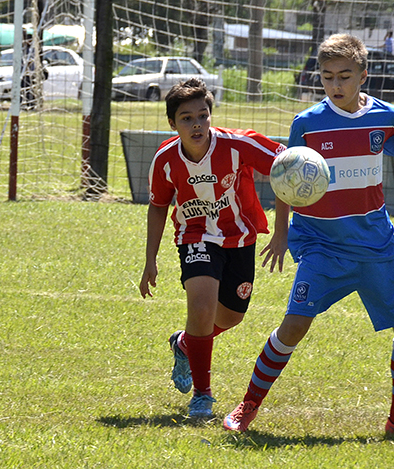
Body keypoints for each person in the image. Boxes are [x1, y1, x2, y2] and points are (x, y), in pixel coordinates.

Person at [222, 33, 394, 439]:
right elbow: (285, 178)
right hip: (322, 245)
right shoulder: (307, 124)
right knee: (294, 326)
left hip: (376, 244)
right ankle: (247, 407)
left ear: (363, 75)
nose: (336, 84)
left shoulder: (386, 118)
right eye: (328, 76)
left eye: (345, 75)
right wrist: (281, 234)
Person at [138, 77, 287, 419]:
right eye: (187, 118)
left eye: (203, 115)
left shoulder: (238, 146)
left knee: (232, 315)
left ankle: (185, 343)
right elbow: (159, 205)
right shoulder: (165, 160)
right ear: (172, 123)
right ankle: (203, 396)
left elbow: (286, 168)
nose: (197, 124)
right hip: (195, 236)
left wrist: (282, 232)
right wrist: (150, 260)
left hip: (239, 238)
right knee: (202, 307)